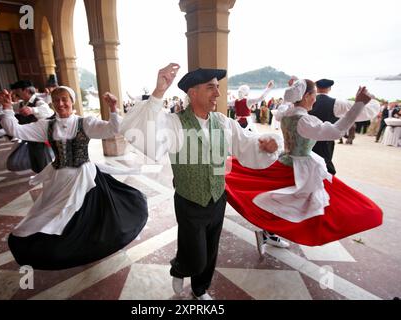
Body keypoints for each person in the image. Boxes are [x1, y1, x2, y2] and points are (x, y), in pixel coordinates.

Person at [120, 64, 281, 300]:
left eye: (217, 87)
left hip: (217, 198)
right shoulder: (173, 123)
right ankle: (180, 267)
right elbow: (141, 131)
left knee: (211, 249)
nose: (217, 93)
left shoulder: (223, 122)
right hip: (189, 200)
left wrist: (267, 144)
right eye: (210, 88)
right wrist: (158, 92)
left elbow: (247, 143)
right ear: (192, 93)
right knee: (196, 255)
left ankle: (199, 289)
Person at [0, 86, 148, 270]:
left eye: (64, 99)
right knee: (54, 215)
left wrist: (114, 108)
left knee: (89, 214)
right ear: (52, 103)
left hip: (84, 176)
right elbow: (15, 130)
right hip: (59, 180)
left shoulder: (85, 123)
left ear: (72, 100)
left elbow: (112, 129)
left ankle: (87, 244)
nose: (60, 103)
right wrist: (6, 107)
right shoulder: (46, 126)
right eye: (56, 100)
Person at [225, 80, 383, 249]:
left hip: (284, 162)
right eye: (314, 95)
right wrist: (358, 104)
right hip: (300, 170)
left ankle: (268, 232)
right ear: (306, 96)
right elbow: (336, 131)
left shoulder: (287, 114)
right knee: (319, 207)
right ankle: (276, 232)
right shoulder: (304, 121)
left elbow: (283, 115)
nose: (315, 99)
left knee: (280, 201)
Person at [309, 79, 379, 174]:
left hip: (304, 143)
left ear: (316, 88)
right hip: (325, 144)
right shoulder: (336, 103)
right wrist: (372, 101)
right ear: (329, 88)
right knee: (324, 171)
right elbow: (366, 112)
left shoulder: (304, 102)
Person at [8, 80, 55, 173]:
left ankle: (45, 176)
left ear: (25, 90)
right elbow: (10, 106)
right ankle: (39, 173)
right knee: (34, 157)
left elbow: (49, 112)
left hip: (39, 137)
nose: (16, 93)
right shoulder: (22, 103)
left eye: (18, 91)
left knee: (41, 157)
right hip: (29, 136)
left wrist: (33, 110)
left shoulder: (38, 101)